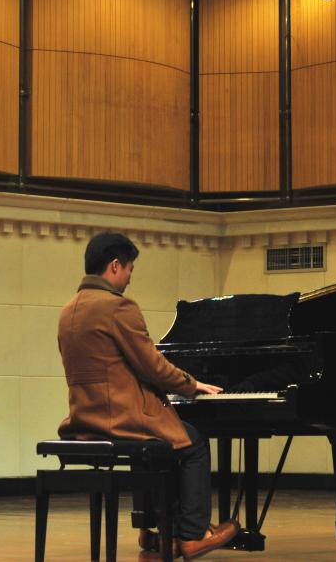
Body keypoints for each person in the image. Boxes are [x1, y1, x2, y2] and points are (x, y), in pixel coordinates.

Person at [57, 232, 238, 560]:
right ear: (115, 266)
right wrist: (190, 384)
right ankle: (193, 535)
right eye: (129, 269)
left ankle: (165, 533)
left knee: (168, 443)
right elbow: (152, 365)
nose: (129, 277)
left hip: (84, 419)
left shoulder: (68, 310)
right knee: (193, 443)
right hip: (121, 418)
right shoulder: (117, 306)